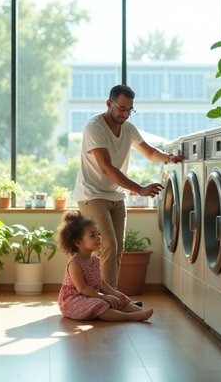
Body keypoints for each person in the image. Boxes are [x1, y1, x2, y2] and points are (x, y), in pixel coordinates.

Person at [74, 84, 183, 289]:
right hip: (92, 194)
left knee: (117, 249)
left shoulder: (129, 128)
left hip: (116, 195)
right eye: (121, 109)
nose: (125, 114)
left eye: (129, 110)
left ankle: (110, 295)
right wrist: (140, 189)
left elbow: (149, 152)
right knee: (106, 246)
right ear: (109, 104)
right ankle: (101, 298)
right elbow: (106, 168)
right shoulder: (94, 127)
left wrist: (169, 158)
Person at [57, 211, 154, 321]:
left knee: (118, 298)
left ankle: (139, 311)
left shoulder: (95, 260)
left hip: (90, 295)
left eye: (98, 234)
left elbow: (101, 282)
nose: (98, 238)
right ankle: (129, 317)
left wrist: (114, 293)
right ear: (78, 242)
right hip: (73, 301)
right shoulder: (74, 264)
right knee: (101, 303)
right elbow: (82, 288)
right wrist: (103, 297)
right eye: (92, 235)